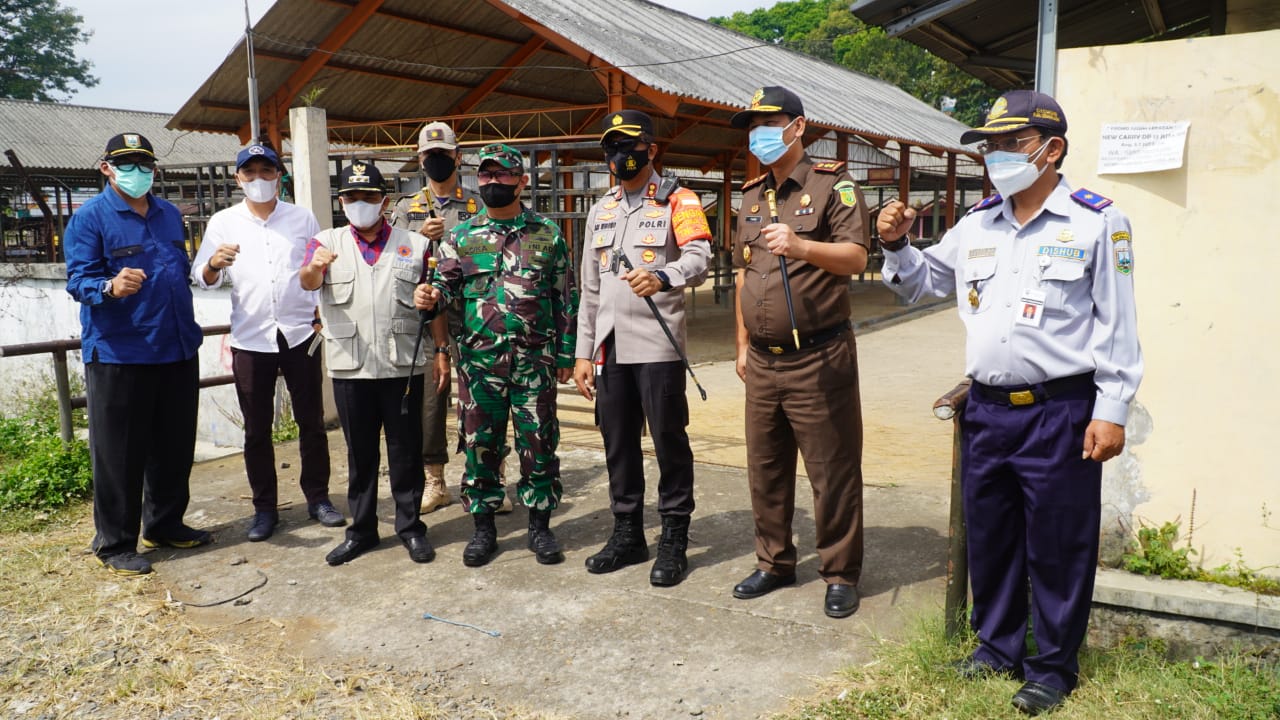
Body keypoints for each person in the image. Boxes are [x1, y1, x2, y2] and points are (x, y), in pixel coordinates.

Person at [876, 89, 1143, 716]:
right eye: (990, 144)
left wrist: (1113, 408)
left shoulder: (1098, 222)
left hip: (1060, 411)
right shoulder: (977, 224)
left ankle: (1052, 666)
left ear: (1052, 150)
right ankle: (995, 649)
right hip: (988, 412)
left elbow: (1118, 326)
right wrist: (894, 244)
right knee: (992, 536)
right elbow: (922, 284)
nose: (995, 155)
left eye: (1009, 143)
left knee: (1057, 542)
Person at [728, 87, 869, 619]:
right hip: (763, 361)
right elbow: (746, 272)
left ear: (798, 127)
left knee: (830, 471)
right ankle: (774, 562)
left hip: (818, 356)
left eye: (769, 121)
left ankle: (839, 572)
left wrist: (802, 245)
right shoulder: (750, 194)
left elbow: (856, 257)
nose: (758, 132)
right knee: (765, 468)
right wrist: (741, 345)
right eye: (752, 124)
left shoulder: (834, 184)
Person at [414, 143, 577, 568]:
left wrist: (566, 353)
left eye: (502, 175)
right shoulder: (461, 238)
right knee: (480, 446)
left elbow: (565, 297)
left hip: (534, 364)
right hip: (480, 365)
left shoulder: (547, 234)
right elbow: (445, 290)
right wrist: (429, 295)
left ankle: (540, 527)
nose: (492, 182)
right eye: (485, 175)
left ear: (521, 181)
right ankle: (483, 529)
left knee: (539, 444)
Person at [572, 110, 711, 586]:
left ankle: (674, 536)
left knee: (670, 442)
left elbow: (699, 258)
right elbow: (590, 289)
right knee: (618, 444)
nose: (619, 156)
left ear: (651, 149)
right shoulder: (601, 209)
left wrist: (663, 276)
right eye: (611, 147)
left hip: (658, 346)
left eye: (628, 146)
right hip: (610, 347)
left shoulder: (679, 199)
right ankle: (628, 532)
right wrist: (582, 353)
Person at [64, 132, 210, 576]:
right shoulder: (90, 219)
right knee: (120, 453)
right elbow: (78, 281)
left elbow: (178, 271)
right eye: (126, 163)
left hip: (177, 345)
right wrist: (109, 286)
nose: (137, 172)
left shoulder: (169, 214)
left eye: (144, 164)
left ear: (154, 170)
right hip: (121, 353)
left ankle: (164, 524)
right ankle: (115, 542)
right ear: (106, 168)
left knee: (174, 444)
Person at [191, 143, 344, 542]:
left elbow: (316, 270)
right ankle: (265, 508)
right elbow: (201, 276)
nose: (259, 179)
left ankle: (319, 498)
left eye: (266, 171)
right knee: (257, 429)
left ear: (280, 175)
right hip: (251, 337)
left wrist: (316, 312)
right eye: (250, 172)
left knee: (311, 422)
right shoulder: (224, 222)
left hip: (298, 333)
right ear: (237, 177)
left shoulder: (301, 218)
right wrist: (212, 265)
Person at [299, 160, 436, 567]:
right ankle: (361, 530)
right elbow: (307, 282)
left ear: (384, 201)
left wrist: (430, 300)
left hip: (401, 366)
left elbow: (434, 296)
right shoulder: (324, 242)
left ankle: (410, 529)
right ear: (342, 201)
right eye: (352, 197)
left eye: (370, 196)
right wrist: (316, 266)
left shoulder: (415, 243)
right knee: (360, 455)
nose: (361, 203)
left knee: (405, 453)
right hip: (351, 366)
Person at [390, 122, 514, 516]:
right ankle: (435, 480)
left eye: (445, 154)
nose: (438, 160)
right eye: (430, 155)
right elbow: (391, 263)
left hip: (477, 316)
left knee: (488, 398)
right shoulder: (404, 209)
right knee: (432, 399)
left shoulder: (479, 204)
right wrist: (419, 239)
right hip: (427, 321)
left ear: (458, 157)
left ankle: (493, 474)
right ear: (420, 159)